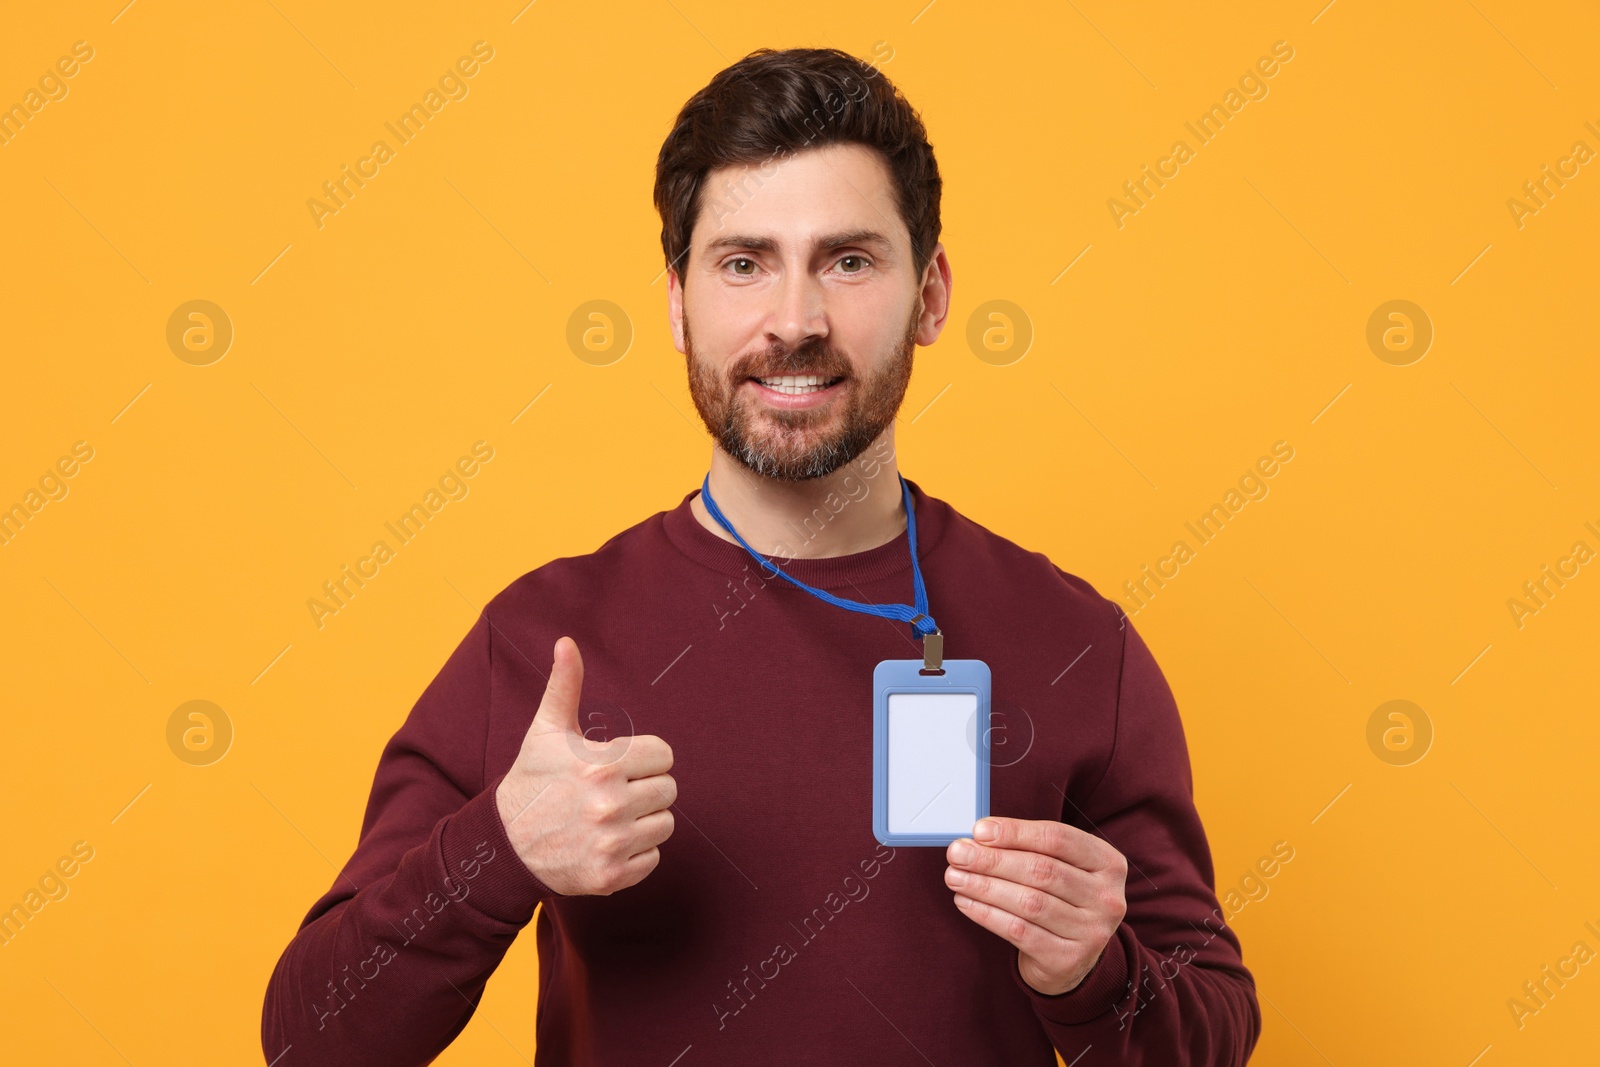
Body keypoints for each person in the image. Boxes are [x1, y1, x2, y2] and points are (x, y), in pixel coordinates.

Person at [261, 46, 1260, 1066]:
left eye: (849, 259)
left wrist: (1095, 972)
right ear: (677, 301)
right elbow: (311, 1039)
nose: (795, 321)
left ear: (931, 294)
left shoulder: (1077, 640)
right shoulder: (539, 642)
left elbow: (1213, 1030)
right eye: (744, 263)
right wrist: (498, 847)